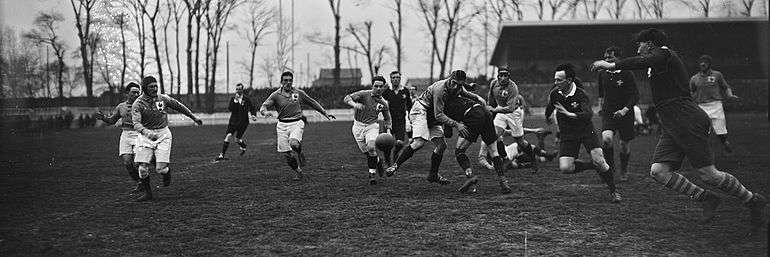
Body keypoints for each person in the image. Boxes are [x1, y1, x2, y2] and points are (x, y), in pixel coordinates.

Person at [591, 28, 765, 231]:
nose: (638, 48)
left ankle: (753, 200)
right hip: (672, 122)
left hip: (686, 119)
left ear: (651, 44)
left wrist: (610, 64)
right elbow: (644, 62)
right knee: (659, 171)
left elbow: (642, 62)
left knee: (710, 175)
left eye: (640, 44)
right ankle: (706, 198)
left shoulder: (664, 53)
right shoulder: (659, 58)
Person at [386, 70, 485, 185]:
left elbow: (469, 94)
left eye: (460, 84)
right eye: (455, 83)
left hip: (432, 115)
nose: (456, 86)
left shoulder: (458, 86)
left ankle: (433, 175)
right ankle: (395, 166)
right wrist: (457, 124)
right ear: (450, 79)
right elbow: (439, 115)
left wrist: (480, 100)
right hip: (421, 110)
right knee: (419, 142)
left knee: (442, 146)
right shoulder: (440, 89)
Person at [546, 64, 621, 203]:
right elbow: (550, 107)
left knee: (600, 160)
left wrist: (569, 114)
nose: (555, 83)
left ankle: (613, 191)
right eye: (555, 80)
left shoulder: (581, 94)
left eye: (559, 80)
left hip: (586, 130)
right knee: (565, 168)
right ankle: (592, 165)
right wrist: (548, 116)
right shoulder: (554, 93)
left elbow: (588, 114)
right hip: (568, 134)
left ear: (569, 80)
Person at [132, 76, 203, 202]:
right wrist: (146, 132)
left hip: (163, 134)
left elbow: (179, 106)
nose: (154, 89)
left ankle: (166, 172)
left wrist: (194, 117)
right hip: (145, 135)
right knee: (142, 168)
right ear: (144, 88)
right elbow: (136, 123)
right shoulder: (137, 104)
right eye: (151, 87)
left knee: (160, 168)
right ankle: (148, 194)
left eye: (156, 86)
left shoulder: (162, 98)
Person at [260, 71, 336, 181]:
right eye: (285, 80)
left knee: (293, 143)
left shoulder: (298, 93)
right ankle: (298, 171)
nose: (288, 82)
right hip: (281, 125)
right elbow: (263, 106)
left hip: (296, 122)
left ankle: (300, 152)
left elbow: (312, 102)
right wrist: (265, 112)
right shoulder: (275, 95)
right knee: (287, 155)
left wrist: (325, 113)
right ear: (281, 82)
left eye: (290, 80)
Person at [438, 89, 513, 194]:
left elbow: (448, 134)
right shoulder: (463, 97)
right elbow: (479, 99)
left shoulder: (444, 106)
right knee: (494, 152)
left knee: (459, 151)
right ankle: (504, 183)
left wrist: (446, 123)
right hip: (485, 113)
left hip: (473, 117)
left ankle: (470, 177)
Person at [597, 46, 640, 182]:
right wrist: (600, 106)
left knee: (623, 145)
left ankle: (624, 170)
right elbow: (600, 93)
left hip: (625, 113)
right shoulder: (602, 73)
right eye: (606, 58)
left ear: (618, 59)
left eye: (610, 58)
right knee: (606, 139)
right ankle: (610, 167)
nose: (607, 60)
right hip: (609, 112)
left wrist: (624, 110)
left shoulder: (627, 73)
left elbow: (635, 95)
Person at [94, 82, 143, 193]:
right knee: (127, 163)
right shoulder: (121, 107)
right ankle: (140, 182)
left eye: (137, 92)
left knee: (137, 162)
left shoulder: (142, 105)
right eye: (133, 92)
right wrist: (103, 118)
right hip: (125, 134)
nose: (136, 94)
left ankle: (144, 183)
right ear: (127, 93)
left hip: (139, 135)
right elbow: (112, 120)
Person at [488, 68, 539, 172]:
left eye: (505, 75)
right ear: (497, 76)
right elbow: (491, 96)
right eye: (500, 75)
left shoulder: (513, 87)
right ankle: (506, 159)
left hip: (513, 113)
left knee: (520, 141)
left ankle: (533, 159)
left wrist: (494, 110)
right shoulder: (493, 83)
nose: (503, 78)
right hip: (500, 112)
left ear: (509, 76)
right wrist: (489, 106)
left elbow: (510, 108)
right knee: (494, 136)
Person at [344, 76, 392, 185]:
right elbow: (346, 98)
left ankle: (372, 175)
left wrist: (388, 130)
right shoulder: (363, 94)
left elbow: (387, 118)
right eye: (376, 86)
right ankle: (378, 161)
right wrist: (355, 104)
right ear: (372, 86)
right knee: (368, 153)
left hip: (372, 126)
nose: (378, 88)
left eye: (381, 86)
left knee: (371, 148)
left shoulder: (383, 103)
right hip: (357, 127)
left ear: (384, 87)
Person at [690, 54, 739, 153]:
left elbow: (726, 87)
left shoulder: (717, 75)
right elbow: (691, 92)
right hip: (702, 106)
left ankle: (724, 142)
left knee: (720, 129)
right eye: (701, 62)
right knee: (702, 130)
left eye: (705, 62)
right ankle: (703, 150)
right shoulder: (694, 78)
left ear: (709, 64)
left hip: (716, 105)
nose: (703, 64)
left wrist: (730, 95)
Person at [215, 83, 258, 161]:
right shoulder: (233, 99)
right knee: (228, 136)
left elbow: (252, 108)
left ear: (242, 90)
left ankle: (243, 146)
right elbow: (230, 109)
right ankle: (222, 155)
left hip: (243, 122)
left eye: (239, 89)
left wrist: (253, 115)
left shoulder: (246, 99)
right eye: (237, 89)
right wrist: (235, 101)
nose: (238, 91)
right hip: (233, 122)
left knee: (237, 139)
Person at [382, 71, 412, 164]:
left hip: (401, 121)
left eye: (398, 77)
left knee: (400, 143)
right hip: (389, 121)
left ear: (400, 79)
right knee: (386, 144)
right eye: (393, 77)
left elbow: (409, 105)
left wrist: (411, 117)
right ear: (390, 79)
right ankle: (387, 160)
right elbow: (378, 100)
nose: (395, 79)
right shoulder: (387, 91)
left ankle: (395, 153)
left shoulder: (405, 91)